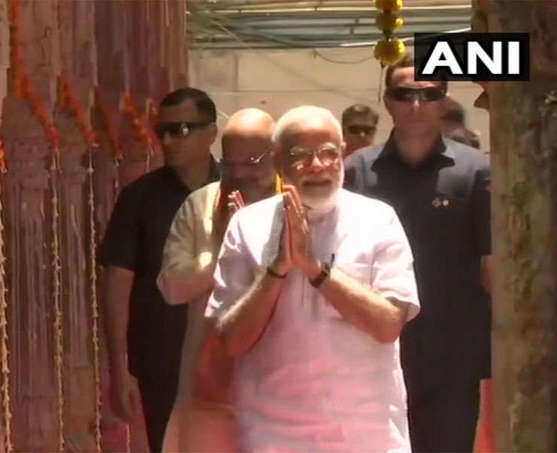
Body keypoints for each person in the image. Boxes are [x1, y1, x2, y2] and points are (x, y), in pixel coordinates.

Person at [204, 105, 420, 452]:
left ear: (342, 157)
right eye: (301, 155)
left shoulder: (378, 220)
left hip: (366, 433)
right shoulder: (248, 226)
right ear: (277, 161)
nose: (317, 165)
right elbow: (231, 341)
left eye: (328, 153)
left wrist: (315, 269)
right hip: (272, 433)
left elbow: (388, 325)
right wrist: (276, 269)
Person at [345, 54, 493, 453]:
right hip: (374, 350)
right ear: (387, 100)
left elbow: (492, 267)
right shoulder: (357, 171)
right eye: (404, 94)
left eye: (428, 95)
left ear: (444, 101)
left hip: (452, 354)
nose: (415, 105)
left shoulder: (475, 172)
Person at [99, 87, 219, 453]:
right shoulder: (139, 198)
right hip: (163, 358)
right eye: (162, 131)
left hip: (231, 352)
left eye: (181, 130)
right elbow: (117, 281)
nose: (169, 140)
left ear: (211, 132)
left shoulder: (238, 188)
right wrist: (120, 368)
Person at [157, 108, 280, 452]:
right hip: (208, 386)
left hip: (281, 387)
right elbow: (172, 287)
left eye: (252, 162)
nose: (239, 174)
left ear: (277, 156)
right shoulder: (200, 206)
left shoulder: (296, 206)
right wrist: (226, 246)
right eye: (230, 164)